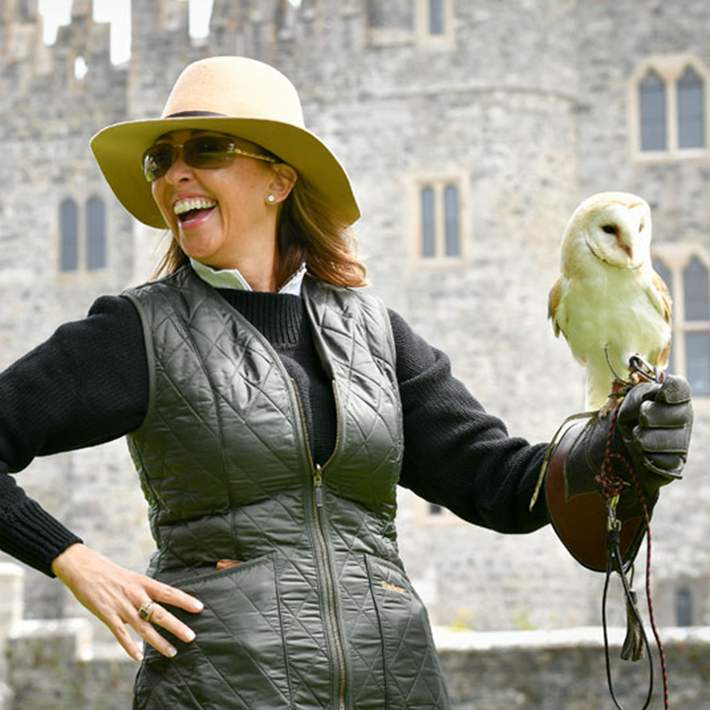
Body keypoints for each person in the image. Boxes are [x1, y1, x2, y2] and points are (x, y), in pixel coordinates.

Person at [0, 56, 693, 709]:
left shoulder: (373, 331)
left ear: (279, 179)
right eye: (162, 159)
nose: (175, 174)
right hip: (220, 692)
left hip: (397, 686)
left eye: (205, 150)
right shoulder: (137, 332)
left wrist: (619, 443)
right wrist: (73, 560)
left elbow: (503, 485)